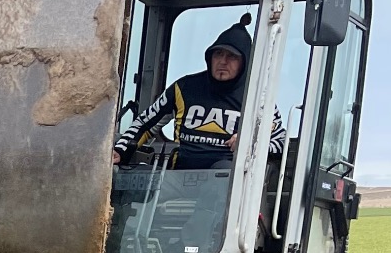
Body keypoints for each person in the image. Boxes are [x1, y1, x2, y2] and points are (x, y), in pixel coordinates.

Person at [114, 17, 285, 169]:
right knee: (136, 180)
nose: (223, 62)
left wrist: (250, 142)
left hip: (227, 186)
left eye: (232, 57)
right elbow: (145, 123)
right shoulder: (184, 88)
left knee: (224, 171)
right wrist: (121, 151)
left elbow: (281, 144)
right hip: (177, 176)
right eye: (218, 54)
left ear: (245, 62)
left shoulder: (259, 99)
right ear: (209, 57)